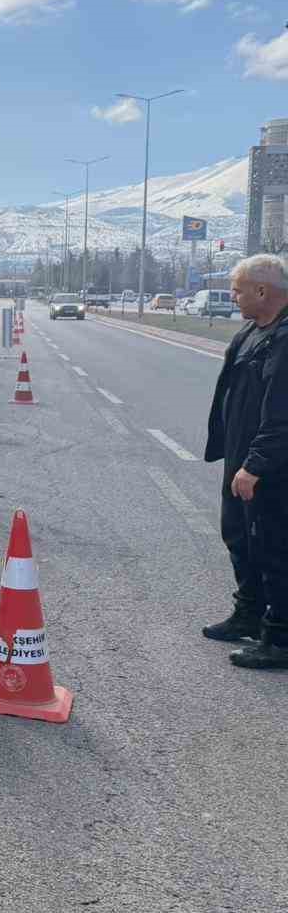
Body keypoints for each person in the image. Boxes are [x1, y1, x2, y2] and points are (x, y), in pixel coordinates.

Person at [201, 253, 288, 669]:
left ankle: (281, 639)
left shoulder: (285, 340)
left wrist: (255, 465)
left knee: (275, 550)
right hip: (240, 459)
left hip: (272, 469)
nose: (232, 296)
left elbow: (282, 417)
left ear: (262, 290)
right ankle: (249, 614)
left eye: (237, 289)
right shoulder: (253, 331)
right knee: (240, 539)